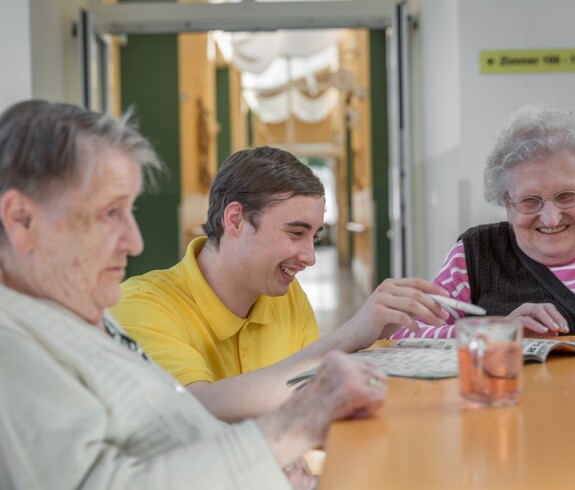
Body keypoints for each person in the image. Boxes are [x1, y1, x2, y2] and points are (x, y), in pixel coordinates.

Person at [0, 99, 392, 489]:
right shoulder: (13, 347)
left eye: (130, 210)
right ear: (21, 220)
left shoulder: (76, 315)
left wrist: (266, 462)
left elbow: (169, 426)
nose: (134, 241)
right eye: (109, 213)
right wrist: (290, 429)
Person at [112, 146, 450, 423]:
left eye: (314, 236)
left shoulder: (286, 296)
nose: (309, 256)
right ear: (235, 220)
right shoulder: (141, 304)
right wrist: (349, 336)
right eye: (296, 232)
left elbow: (309, 391)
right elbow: (197, 408)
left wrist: (374, 337)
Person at [389, 105, 575, 339]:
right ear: (508, 205)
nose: (551, 217)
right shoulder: (475, 254)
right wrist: (491, 332)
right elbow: (403, 332)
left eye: (567, 196)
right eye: (530, 201)